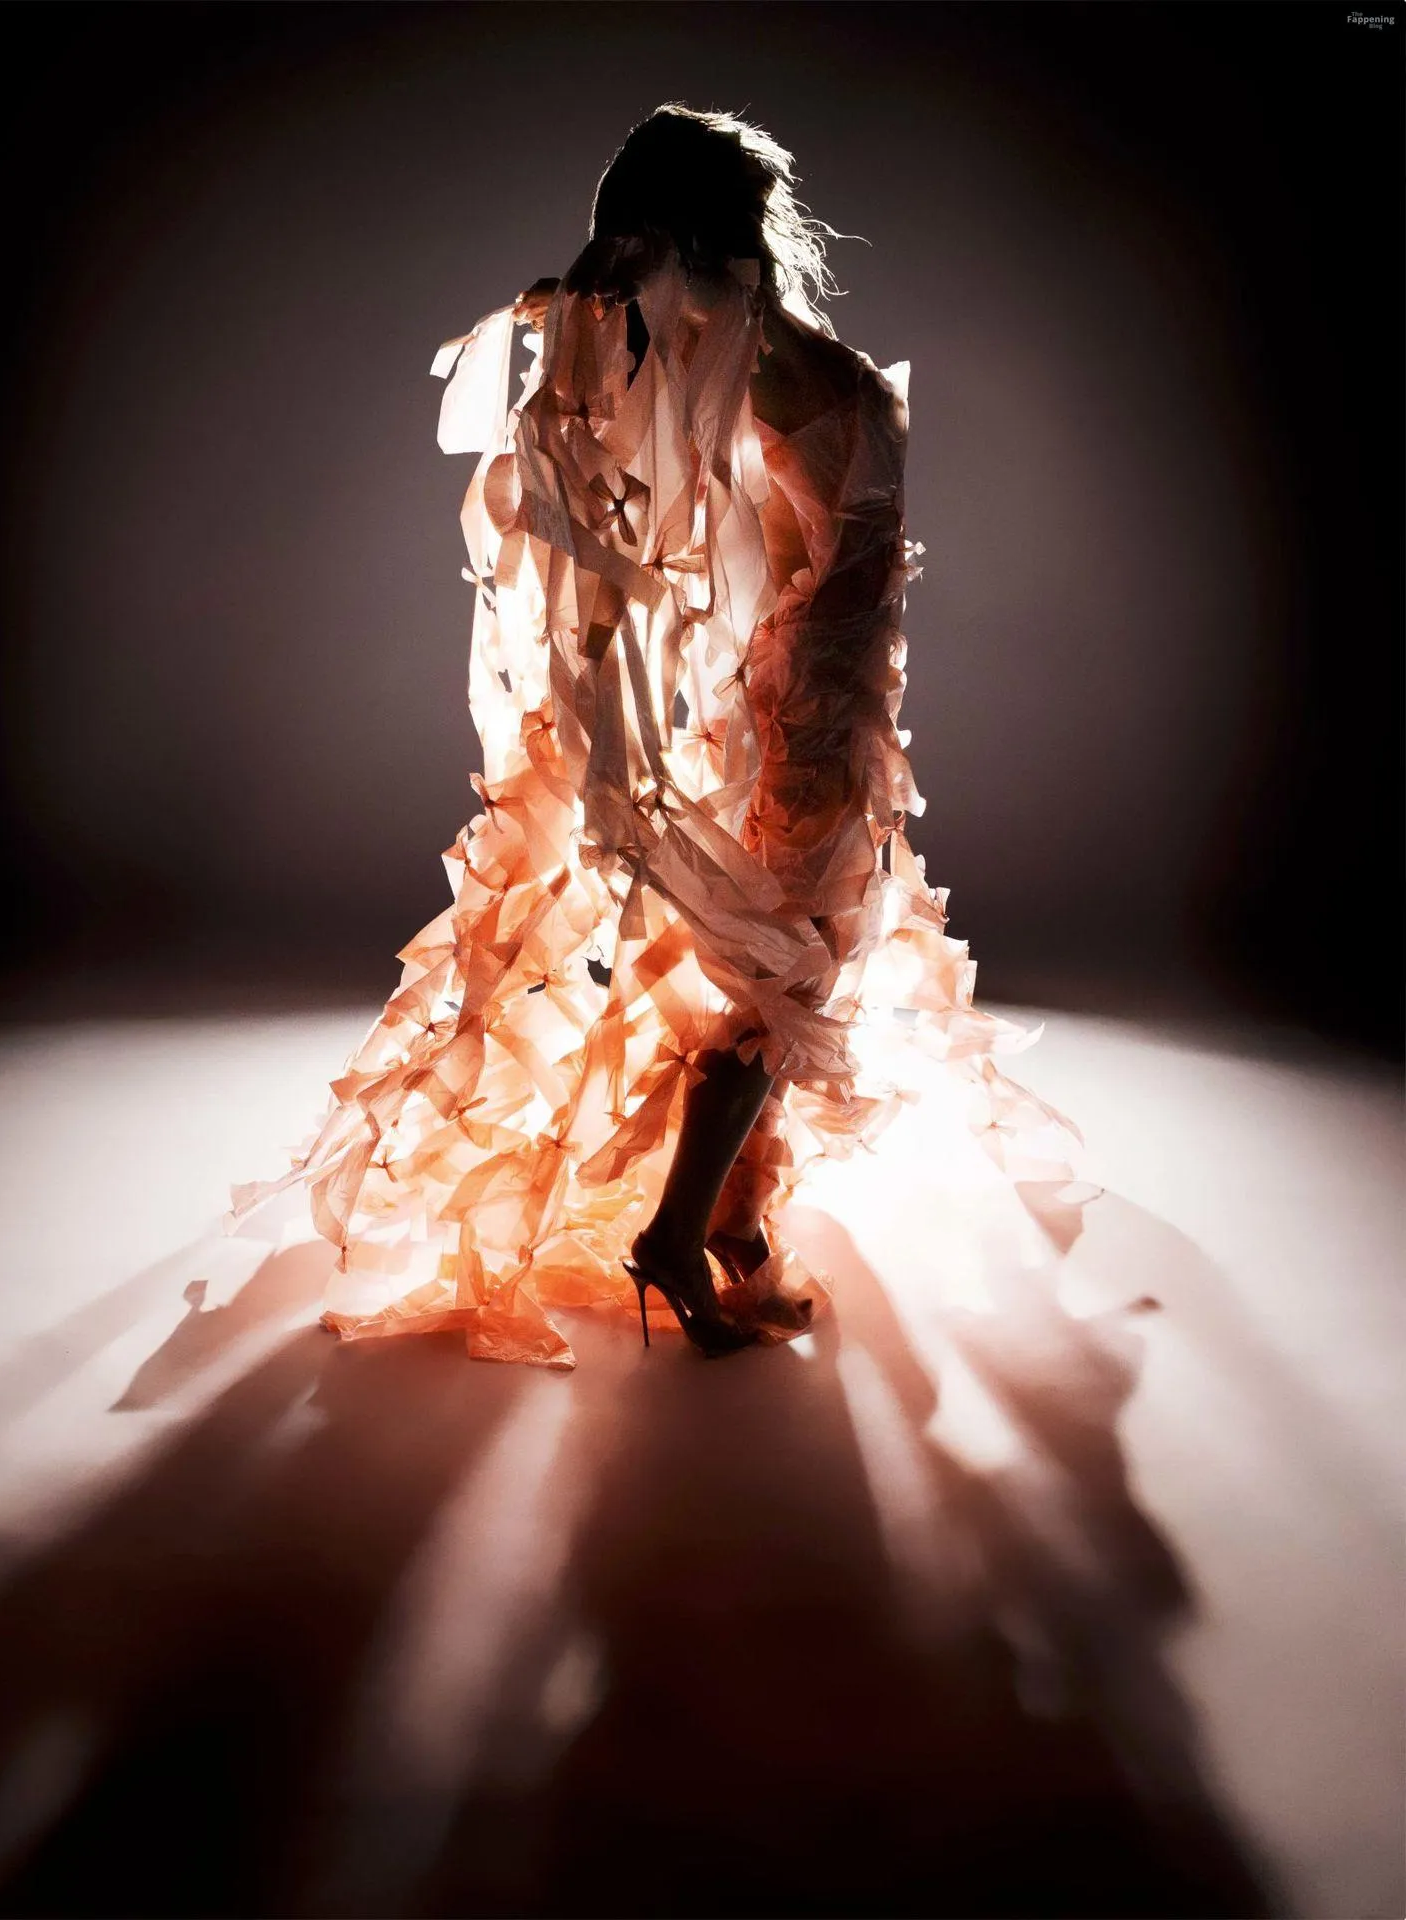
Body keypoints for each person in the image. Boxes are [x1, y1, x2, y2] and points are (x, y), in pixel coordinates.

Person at [229, 105, 1088, 1368]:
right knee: (786, 974)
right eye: (738, 204)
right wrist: (607, 296)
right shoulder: (732, 355)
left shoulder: (745, 348)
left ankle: (729, 1227)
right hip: (811, 706)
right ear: (709, 226)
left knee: (794, 966)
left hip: (834, 696)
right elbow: (668, 521)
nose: (760, 222)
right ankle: (678, 1237)